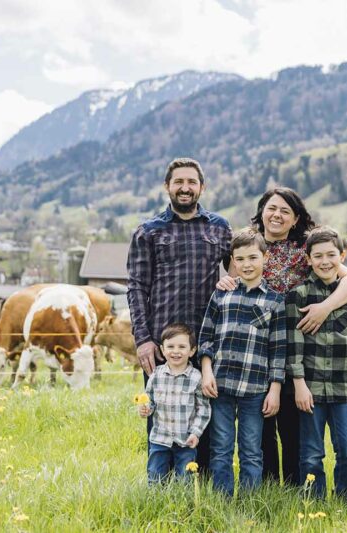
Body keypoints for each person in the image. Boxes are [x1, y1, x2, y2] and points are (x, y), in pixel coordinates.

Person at [217, 187, 347, 487]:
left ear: (296, 218)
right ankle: (268, 486)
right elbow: (233, 281)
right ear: (262, 211)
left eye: (285, 210)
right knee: (262, 422)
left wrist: (324, 308)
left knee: (294, 424)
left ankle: (298, 486)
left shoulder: (306, 248)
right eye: (271, 208)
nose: (277, 215)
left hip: (298, 347)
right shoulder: (250, 245)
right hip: (258, 349)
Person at [127, 157, 232, 469]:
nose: (185, 188)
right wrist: (143, 339)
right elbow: (135, 288)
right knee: (161, 418)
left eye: (191, 182)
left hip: (208, 342)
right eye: (179, 182)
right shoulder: (148, 232)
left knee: (206, 415)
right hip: (163, 346)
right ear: (167, 187)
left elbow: (240, 270)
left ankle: (205, 487)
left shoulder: (219, 227)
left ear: (202, 187)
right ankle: (163, 488)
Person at [199, 229, 286, 497]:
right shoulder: (222, 295)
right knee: (221, 447)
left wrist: (275, 390)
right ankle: (222, 500)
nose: (247, 264)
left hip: (255, 389)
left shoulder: (275, 300)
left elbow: (279, 350)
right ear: (233, 262)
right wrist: (206, 371)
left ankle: (250, 501)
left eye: (253, 257)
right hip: (221, 386)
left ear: (265, 258)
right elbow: (206, 337)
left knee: (251, 449)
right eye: (240, 259)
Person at [287, 227, 347, 501]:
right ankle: (312, 501)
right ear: (308, 259)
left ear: (342, 256)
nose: (325, 261)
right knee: (311, 453)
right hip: (312, 388)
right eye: (318, 256)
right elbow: (293, 347)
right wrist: (299, 385)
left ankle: (344, 500)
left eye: (331, 254)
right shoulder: (298, 295)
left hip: (344, 387)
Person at [138, 323, 211, 483]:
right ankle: (155, 502)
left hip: (185, 439)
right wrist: (145, 409)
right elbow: (150, 401)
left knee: (185, 478)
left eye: (182, 347)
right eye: (170, 346)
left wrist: (195, 433)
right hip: (159, 438)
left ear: (192, 350)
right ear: (162, 350)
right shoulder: (156, 375)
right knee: (155, 475)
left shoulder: (196, 378)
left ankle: (183, 502)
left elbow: (203, 410)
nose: (175, 351)